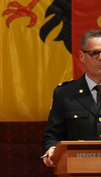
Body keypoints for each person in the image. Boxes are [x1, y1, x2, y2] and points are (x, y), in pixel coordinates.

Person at [43, 30, 101, 167]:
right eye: (94, 53)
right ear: (82, 57)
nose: (100, 58)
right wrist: (51, 149)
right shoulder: (64, 94)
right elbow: (53, 136)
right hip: (80, 170)